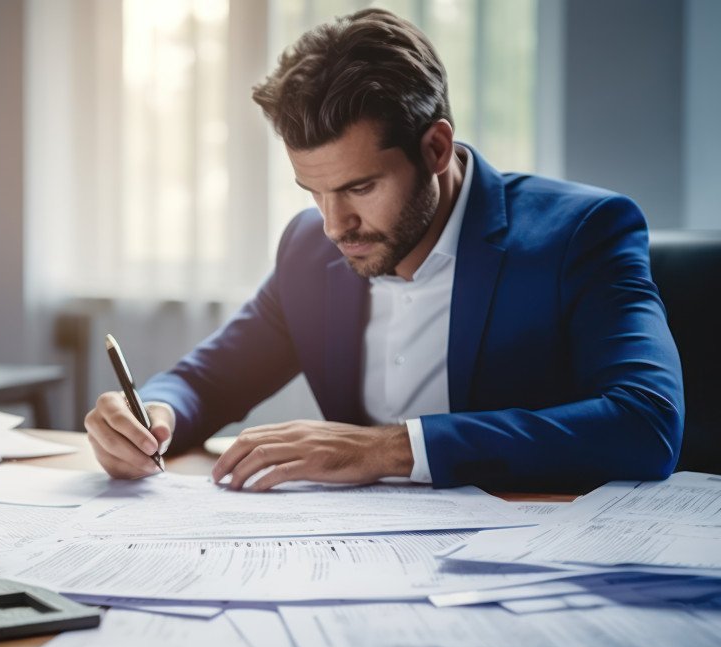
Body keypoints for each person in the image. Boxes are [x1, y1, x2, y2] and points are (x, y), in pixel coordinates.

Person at [83, 8, 683, 492]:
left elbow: (646, 422)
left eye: (359, 187)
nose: (333, 225)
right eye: (313, 192)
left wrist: (389, 447)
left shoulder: (582, 232)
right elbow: (208, 381)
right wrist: (149, 413)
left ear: (436, 148)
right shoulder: (307, 249)